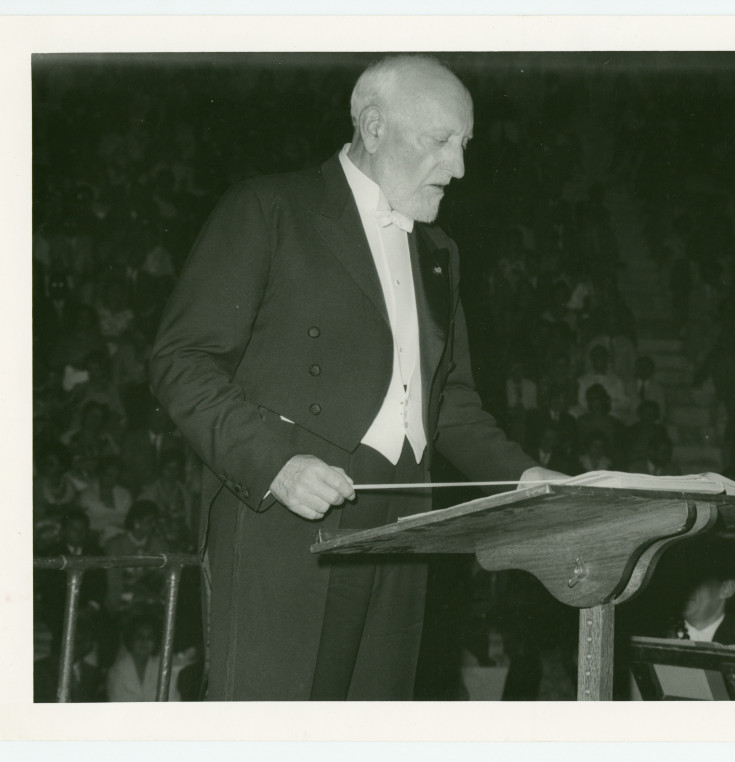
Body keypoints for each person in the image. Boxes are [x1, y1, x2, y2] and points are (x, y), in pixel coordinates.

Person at [149, 55, 563, 701]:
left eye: (464, 144)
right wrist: (277, 464)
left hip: (404, 527)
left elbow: (446, 403)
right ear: (373, 126)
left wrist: (523, 476)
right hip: (288, 520)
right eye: (440, 142)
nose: (459, 167)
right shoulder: (270, 208)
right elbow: (181, 360)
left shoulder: (438, 252)